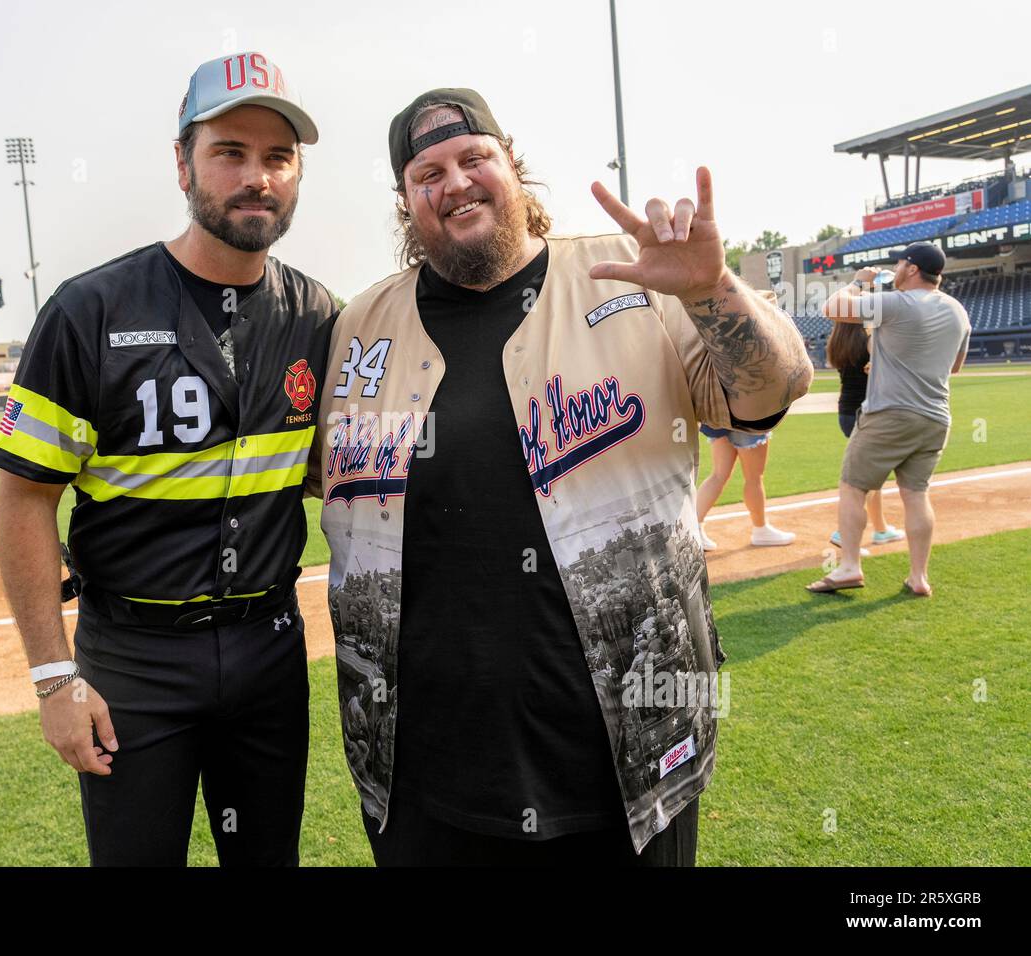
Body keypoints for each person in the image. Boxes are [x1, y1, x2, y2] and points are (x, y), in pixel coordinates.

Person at [315, 89, 812, 865]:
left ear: (512, 164)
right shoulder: (358, 327)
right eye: (427, 173)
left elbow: (769, 394)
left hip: (628, 761)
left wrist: (711, 291)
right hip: (424, 775)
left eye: (475, 158)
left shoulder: (632, 277)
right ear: (406, 201)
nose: (456, 184)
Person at [0, 52, 336, 866]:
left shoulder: (318, 315)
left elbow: (335, 467)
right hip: (133, 661)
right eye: (230, 152)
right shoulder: (89, 310)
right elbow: (23, 499)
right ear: (182, 162)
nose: (257, 177)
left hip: (269, 646)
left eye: (277, 158)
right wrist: (51, 676)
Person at [807, 242, 970, 596]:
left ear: (911, 268)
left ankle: (849, 566)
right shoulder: (958, 310)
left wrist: (858, 281)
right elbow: (954, 367)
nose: (895, 269)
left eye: (899, 263)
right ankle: (918, 577)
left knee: (853, 487)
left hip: (889, 413)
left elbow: (832, 307)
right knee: (916, 494)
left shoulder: (898, 302)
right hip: (936, 417)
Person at [823, 318, 903, 554]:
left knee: (870, 473)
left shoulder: (837, 341)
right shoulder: (868, 340)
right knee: (864, 479)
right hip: (865, 413)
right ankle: (843, 532)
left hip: (846, 413)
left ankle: (880, 529)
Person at [695, 424, 794, 550]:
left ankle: (694, 529)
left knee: (718, 476)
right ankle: (761, 530)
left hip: (720, 422)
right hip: (747, 420)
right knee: (754, 478)